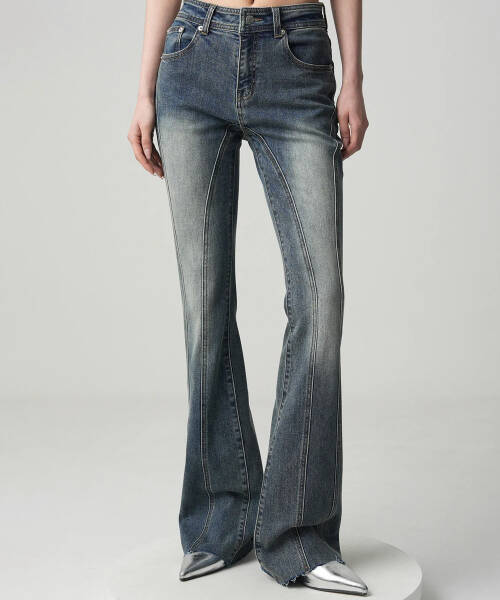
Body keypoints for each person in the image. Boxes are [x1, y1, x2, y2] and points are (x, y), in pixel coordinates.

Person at [127, 0, 369, 592]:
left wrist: (354, 77)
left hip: (296, 55)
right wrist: (144, 90)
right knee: (203, 305)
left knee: (320, 301)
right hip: (194, 51)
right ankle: (220, 521)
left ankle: (300, 534)